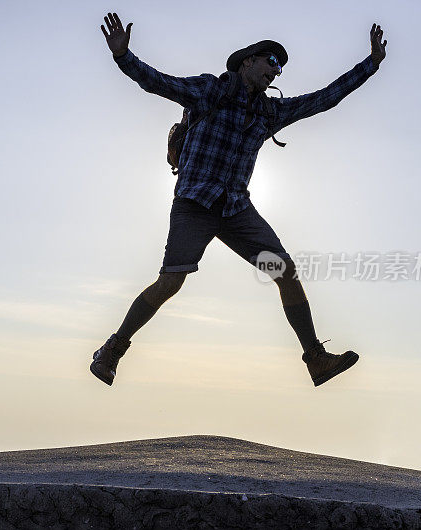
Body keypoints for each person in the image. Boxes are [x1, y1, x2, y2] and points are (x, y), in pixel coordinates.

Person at [91, 12, 387, 388]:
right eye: (272, 62)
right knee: (171, 283)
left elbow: (323, 99)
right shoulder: (208, 91)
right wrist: (123, 57)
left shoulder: (269, 111)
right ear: (248, 61)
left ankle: (316, 360)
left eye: (280, 68)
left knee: (285, 271)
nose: (276, 72)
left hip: (235, 210)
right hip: (195, 203)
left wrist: (371, 65)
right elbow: (157, 82)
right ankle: (112, 351)